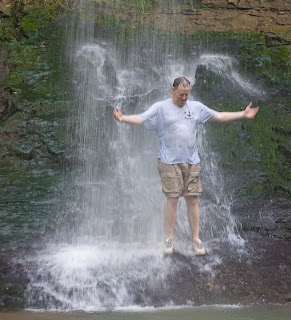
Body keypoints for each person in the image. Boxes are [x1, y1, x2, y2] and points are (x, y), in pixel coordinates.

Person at [113, 76, 259, 255]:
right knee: (173, 199)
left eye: (187, 95)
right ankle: (169, 239)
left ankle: (196, 239)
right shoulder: (161, 108)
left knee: (193, 199)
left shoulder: (196, 107)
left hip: (192, 161)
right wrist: (123, 119)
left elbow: (219, 116)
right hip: (169, 163)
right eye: (181, 94)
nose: (184, 98)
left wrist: (242, 114)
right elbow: (141, 119)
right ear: (173, 90)